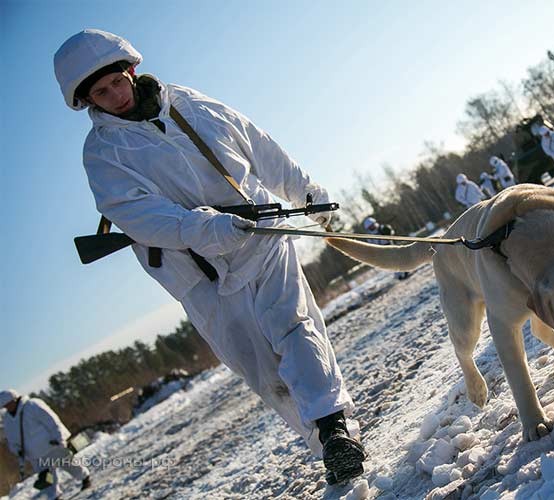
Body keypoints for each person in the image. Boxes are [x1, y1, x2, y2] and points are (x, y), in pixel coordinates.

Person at [53, 29, 365, 483]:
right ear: (88, 101)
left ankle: (336, 428)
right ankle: (324, 439)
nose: (113, 96)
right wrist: (205, 227)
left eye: (116, 82)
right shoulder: (102, 154)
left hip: (263, 237)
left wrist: (304, 190)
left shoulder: (192, 104)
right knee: (263, 370)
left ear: (131, 71)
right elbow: (138, 215)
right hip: (199, 275)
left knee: (295, 327)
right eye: (100, 93)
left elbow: (258, 146)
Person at [1, 389, 91, 499]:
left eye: (8, 404)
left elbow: (52, 420)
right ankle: (55, 495)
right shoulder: (7, 420)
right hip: (35, 455)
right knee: (47, 478)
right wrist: (17, 451)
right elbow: (12, 439)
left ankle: (85, 478)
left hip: (52, 446)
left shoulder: (32, 405)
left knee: (70, 464)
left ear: (15, 399)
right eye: (5, 406)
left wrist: (60, 437)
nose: (7, 408)